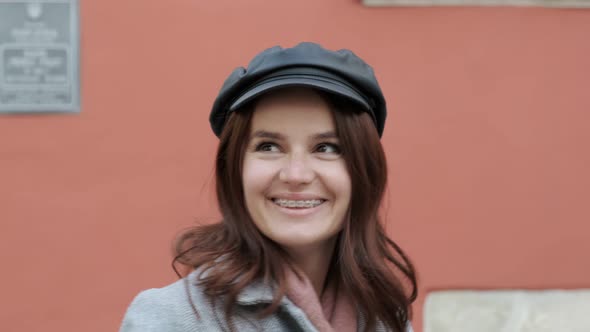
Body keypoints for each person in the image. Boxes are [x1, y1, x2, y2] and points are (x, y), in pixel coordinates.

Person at [120, 42, 417, 332]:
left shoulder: (385, 316)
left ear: (364, 172)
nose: (296, 174)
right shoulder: (170, 319)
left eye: (326, 147)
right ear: (234, 170)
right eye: (269, 146)